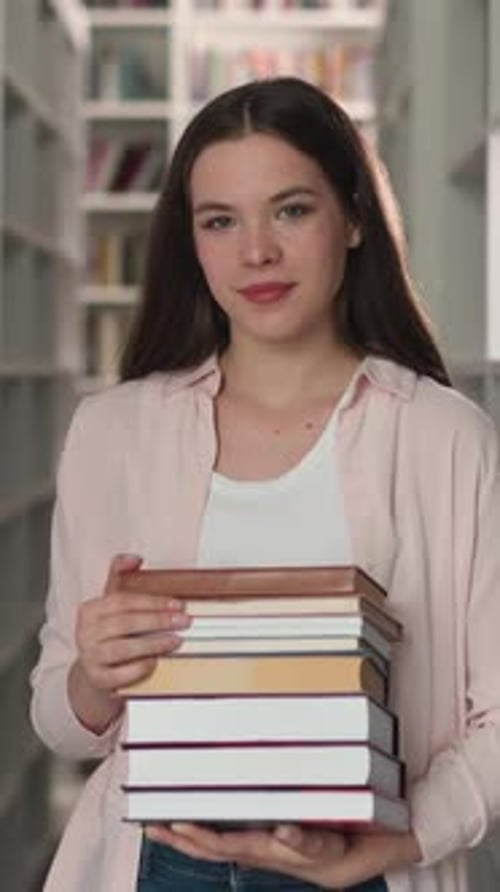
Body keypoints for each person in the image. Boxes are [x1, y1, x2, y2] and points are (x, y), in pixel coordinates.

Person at [30, 76, 500, 892]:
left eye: (291, 210)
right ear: (191, 242)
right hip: (158, 863)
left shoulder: (446, 438)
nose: (257, 253)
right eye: (220, 221)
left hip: (366, 868)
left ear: (354, 218)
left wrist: (398, 841)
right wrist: (92, 679)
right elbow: (60, 722)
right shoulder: (112, 433)